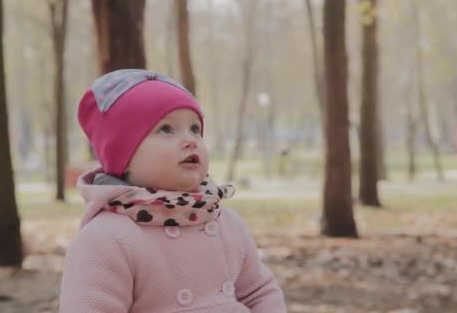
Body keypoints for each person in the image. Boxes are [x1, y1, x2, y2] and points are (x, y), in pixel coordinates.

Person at [59, 69, 287, 312]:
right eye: (166, 129)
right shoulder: (107, 238)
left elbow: (260, 293)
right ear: (123, 155)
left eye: (195, 129)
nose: (191, 140)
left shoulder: (225, 223)